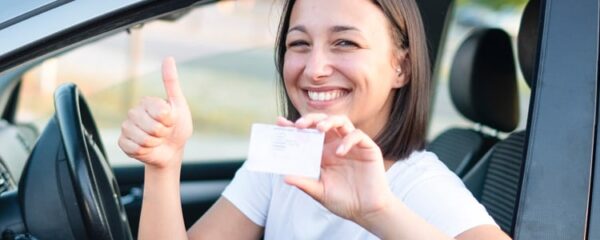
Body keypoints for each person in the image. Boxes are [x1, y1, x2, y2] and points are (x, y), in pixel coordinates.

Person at [118, 0, 512, 239]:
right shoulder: (284, 159)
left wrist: (377, 213)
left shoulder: (419, 183)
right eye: (299, 44)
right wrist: (164, 166)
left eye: (345, 42)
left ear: (400, 68)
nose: (315, 68)